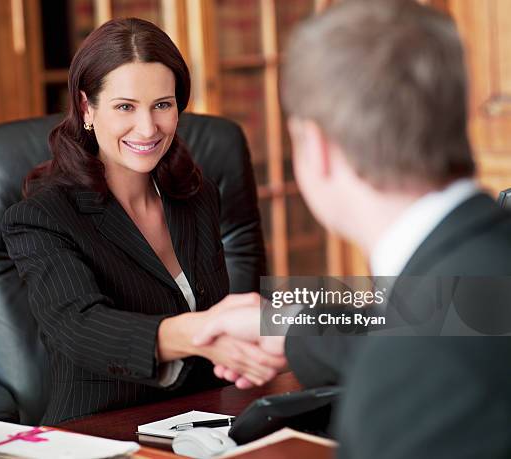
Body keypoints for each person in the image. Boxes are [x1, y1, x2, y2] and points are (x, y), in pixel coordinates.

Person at [193, 1, 511, 457]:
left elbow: (418, 339)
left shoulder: (409, 374)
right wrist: (288, 324)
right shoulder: (484, 265)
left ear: (317, 147)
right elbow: (432, 316)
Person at [1, 18, 285, 425]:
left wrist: (368, 313)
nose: (148, 127)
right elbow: (81, 327)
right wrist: (201, 332)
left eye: (162, 105)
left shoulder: (196, 196)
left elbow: (241, 314)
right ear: (86, 108)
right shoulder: (42, 217)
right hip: (100, 433)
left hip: (205, 424)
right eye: (125, 107)